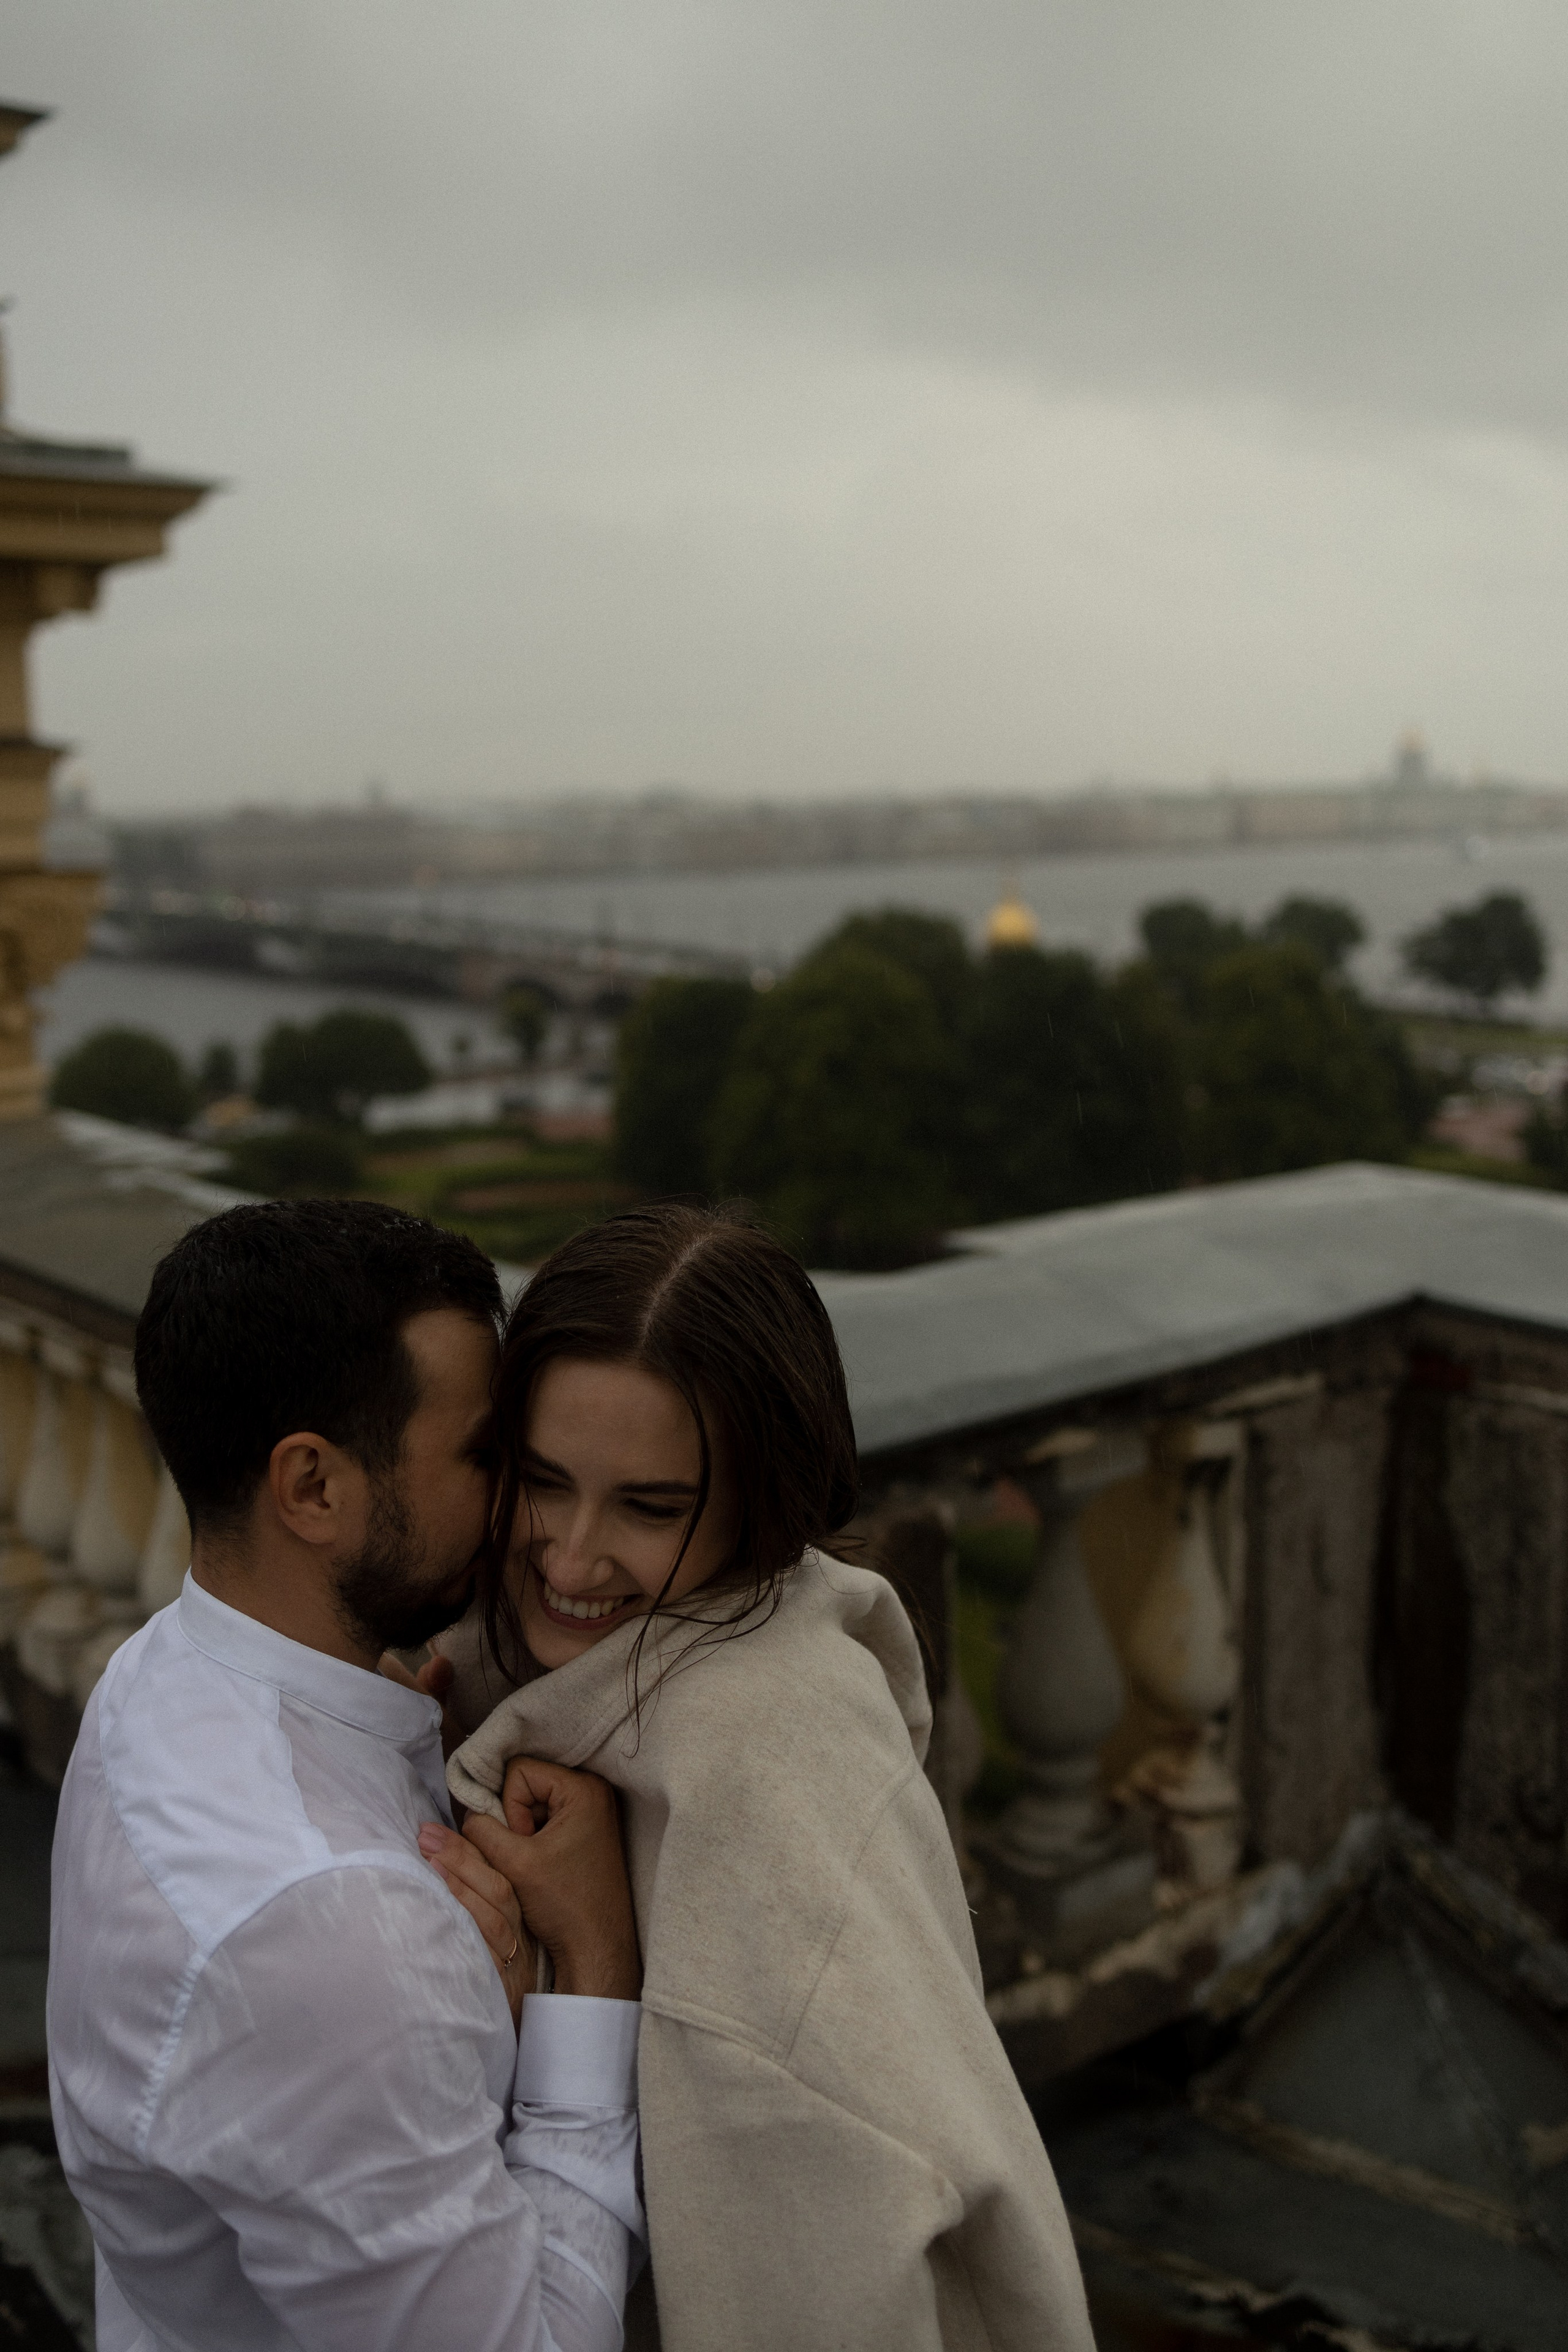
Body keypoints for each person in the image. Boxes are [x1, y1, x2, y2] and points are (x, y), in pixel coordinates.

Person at [436, 1202, 1095, 2352]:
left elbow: (837, 2268)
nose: (572, 1555)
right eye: (542, 1480)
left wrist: (594, 1955)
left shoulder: (772, 1774)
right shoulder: (513, 1668)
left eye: (651, 1507)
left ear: (764, 1500)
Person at [48, 1199, 646, 2352]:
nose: (527, 1506)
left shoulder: (159, 1674)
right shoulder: (332, 1936)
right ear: (313, 1488)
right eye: (486, 1454)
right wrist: (594, 1972)